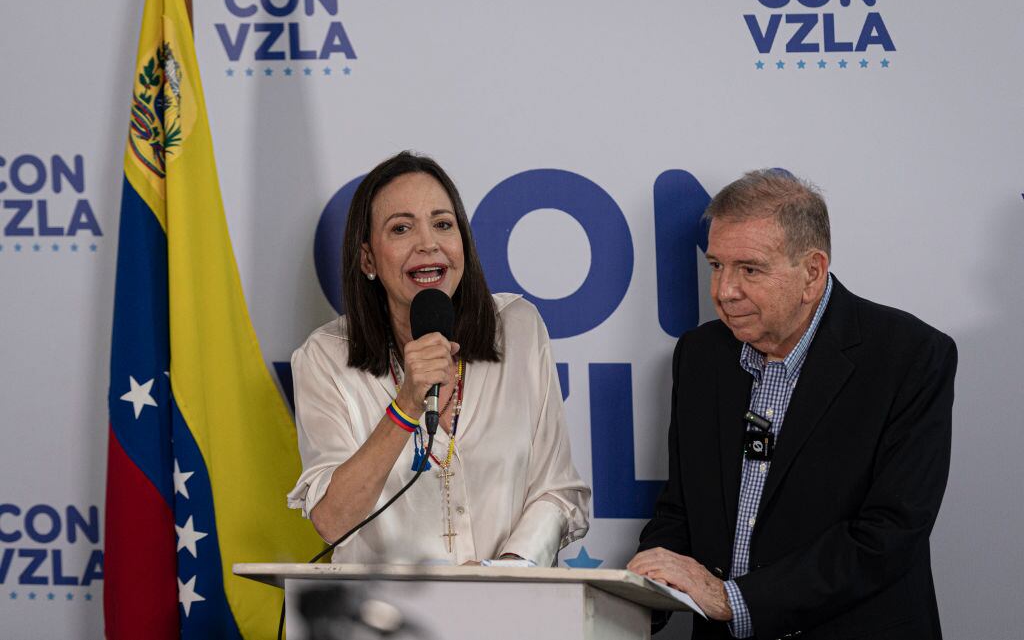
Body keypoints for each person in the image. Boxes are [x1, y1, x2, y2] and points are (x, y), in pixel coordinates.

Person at [628, 170, 956, 639]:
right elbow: (681, 510)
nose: (724, 291)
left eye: (750, 269)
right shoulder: (700, 356)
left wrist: (732, 600)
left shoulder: (910, 356)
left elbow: (887, 536)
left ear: (812, 272)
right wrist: (642, 595)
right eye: (716, 265)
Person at [287, 151, 590, 566]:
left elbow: (557, 491)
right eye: (401, 228)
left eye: (443, 224)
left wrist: (501, 576)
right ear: (368, 259)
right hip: (387, 621)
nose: (428, 244)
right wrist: (407, 403)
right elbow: (333, 521)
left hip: (512, 609)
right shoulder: (324, 359)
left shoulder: (519, 328)